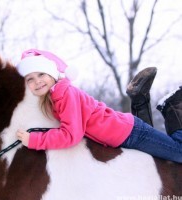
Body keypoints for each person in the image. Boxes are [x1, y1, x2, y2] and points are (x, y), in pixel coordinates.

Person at [15, 48, 182, 163]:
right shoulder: (53, 97)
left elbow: (71, 135)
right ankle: (140, 100)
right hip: (122, 133)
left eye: (41, 74)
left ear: (52, 73)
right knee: (158, 156)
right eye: (30, 79)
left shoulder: (65, 94)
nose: (37, 81)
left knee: (179, 152)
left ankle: (172, 106)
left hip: (128, 133)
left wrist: (34, 140)